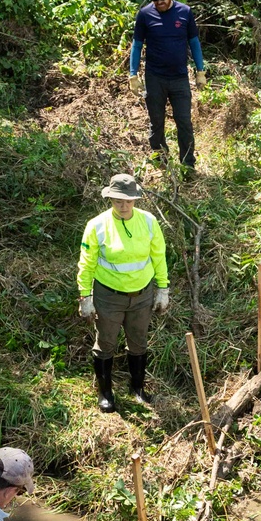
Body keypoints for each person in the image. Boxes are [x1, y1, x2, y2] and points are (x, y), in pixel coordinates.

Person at [77, 173, 170, 412]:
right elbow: (86, 264)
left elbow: (158, 256)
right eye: (118, 200)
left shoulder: (149, 222)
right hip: (109, 296)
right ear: (110, 199)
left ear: (136, 199)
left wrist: (163, 288)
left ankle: (137, 389)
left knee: (138, 341)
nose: (124, 205)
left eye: (128, 200)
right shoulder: (96, 225)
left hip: (142, 295)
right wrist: (85, 297)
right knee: (106, 342)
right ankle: (105, 393)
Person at [129, 0, 206, 169]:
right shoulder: (145, 15)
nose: (158, 3)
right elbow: (137, 45)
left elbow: (194, 42)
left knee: (184, 122)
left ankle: (188, 165)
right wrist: (133, 74)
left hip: (179, 77)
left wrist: (200, 71)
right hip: (155, 77)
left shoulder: (185, 12)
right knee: (156, 122)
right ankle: (161, 160)